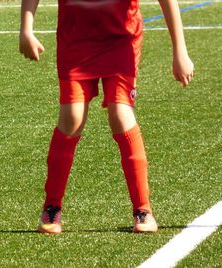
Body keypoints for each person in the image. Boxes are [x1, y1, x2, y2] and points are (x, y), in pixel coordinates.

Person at [19, 0, 194, 234]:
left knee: (120, 115)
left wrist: (179, 50)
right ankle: (51, 207)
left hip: (122, 40)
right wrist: (26, 29)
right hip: (75, 41)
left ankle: (143, 210)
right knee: (71, 118)